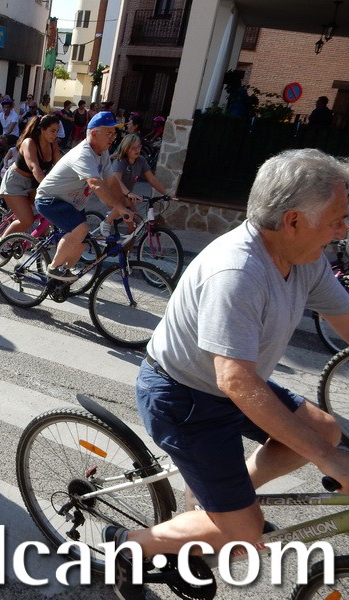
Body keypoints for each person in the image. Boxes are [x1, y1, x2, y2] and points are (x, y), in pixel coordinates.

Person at [109, 148, 349, 599]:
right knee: (244, 532)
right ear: (293, 221)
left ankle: (213, 504)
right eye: (337, 219)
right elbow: (235, 380)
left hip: (234, 385)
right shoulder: (238, 271)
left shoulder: (305, 259)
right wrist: (328, 460)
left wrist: (324, 450)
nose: (344, 230)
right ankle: (128, 547)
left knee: (324, 429)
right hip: (184, 395)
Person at [34, 111, 134, 281]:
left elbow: (111, 182)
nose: (113, 137)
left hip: (72, 203)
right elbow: (96, 184)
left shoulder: (103, 153)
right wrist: (119, 207)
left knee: (82, 242)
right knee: (81, 229)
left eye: (114, 133)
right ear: (94, 133)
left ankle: (62, 277)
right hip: (50, 199)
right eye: (109, 133)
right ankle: (53, 268)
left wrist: (125, 204)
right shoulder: (84, 154)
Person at [0, 114, 62, 238]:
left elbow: (60, 165)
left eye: (57, 131)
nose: (55, 135)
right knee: (27, 220)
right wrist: (49, 187)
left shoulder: (53, 144)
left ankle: (35, 244)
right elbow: (34, 167)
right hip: (15, 183)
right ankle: (1, 242)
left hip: (33, 183)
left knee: (48, 213)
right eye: (52, 131)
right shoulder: (29, 143)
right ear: (42, 129)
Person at [101, 133, 173, 238]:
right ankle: (107, 222)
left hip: (126, 196)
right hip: (110, 194)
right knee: (124, 204)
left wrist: (166, 193)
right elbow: (117, 181)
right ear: (126, 148)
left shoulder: (141, 161)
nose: (137, 150)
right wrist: (129, 193)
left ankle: (126, 248)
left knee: (136, 226)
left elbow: (152, 179)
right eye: (133, 148)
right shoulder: (120, 161)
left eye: (139, 146)